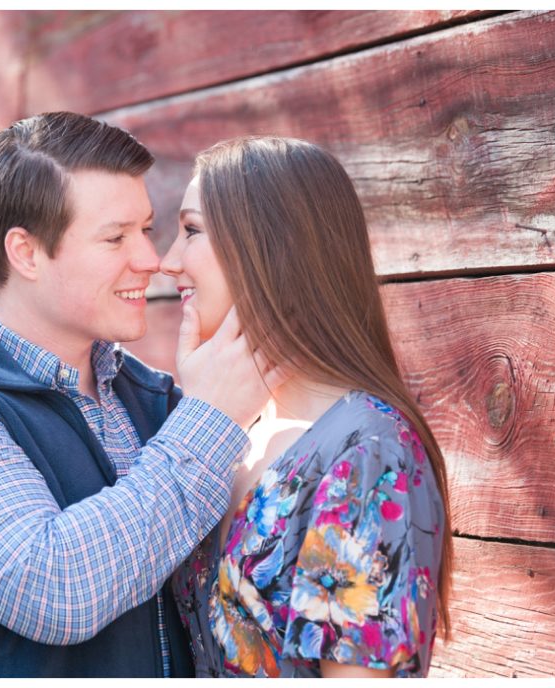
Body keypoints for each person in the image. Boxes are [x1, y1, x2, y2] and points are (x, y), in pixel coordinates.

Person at [0, 112, 284, 677]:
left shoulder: (155, 400)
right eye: (115, 237)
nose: (150, 259)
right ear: (25, 253)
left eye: (146, 229)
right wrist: (213, 418)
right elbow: (57, 589)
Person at [160, 136, 453, 678]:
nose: (168, 260)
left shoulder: (368, 451)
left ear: (270, 246)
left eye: (192, 230)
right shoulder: (235, 433)